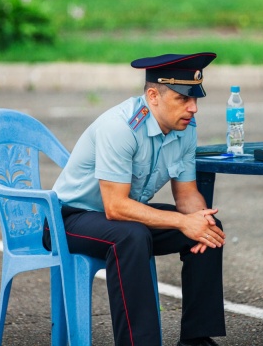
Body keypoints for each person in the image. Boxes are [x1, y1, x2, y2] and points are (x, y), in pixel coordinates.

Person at [43, 52, 226, 346]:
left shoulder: (185, 128)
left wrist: (199, 221)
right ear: (153, 96)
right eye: (182, 98)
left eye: (195, 99)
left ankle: (196, 340)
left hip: (122, 216)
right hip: (68, 219)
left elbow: (186, 194)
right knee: (131, 236)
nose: (193, 108)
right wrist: (182, 222)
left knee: (209, 229)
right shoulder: (121, 127)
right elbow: (115, 207)